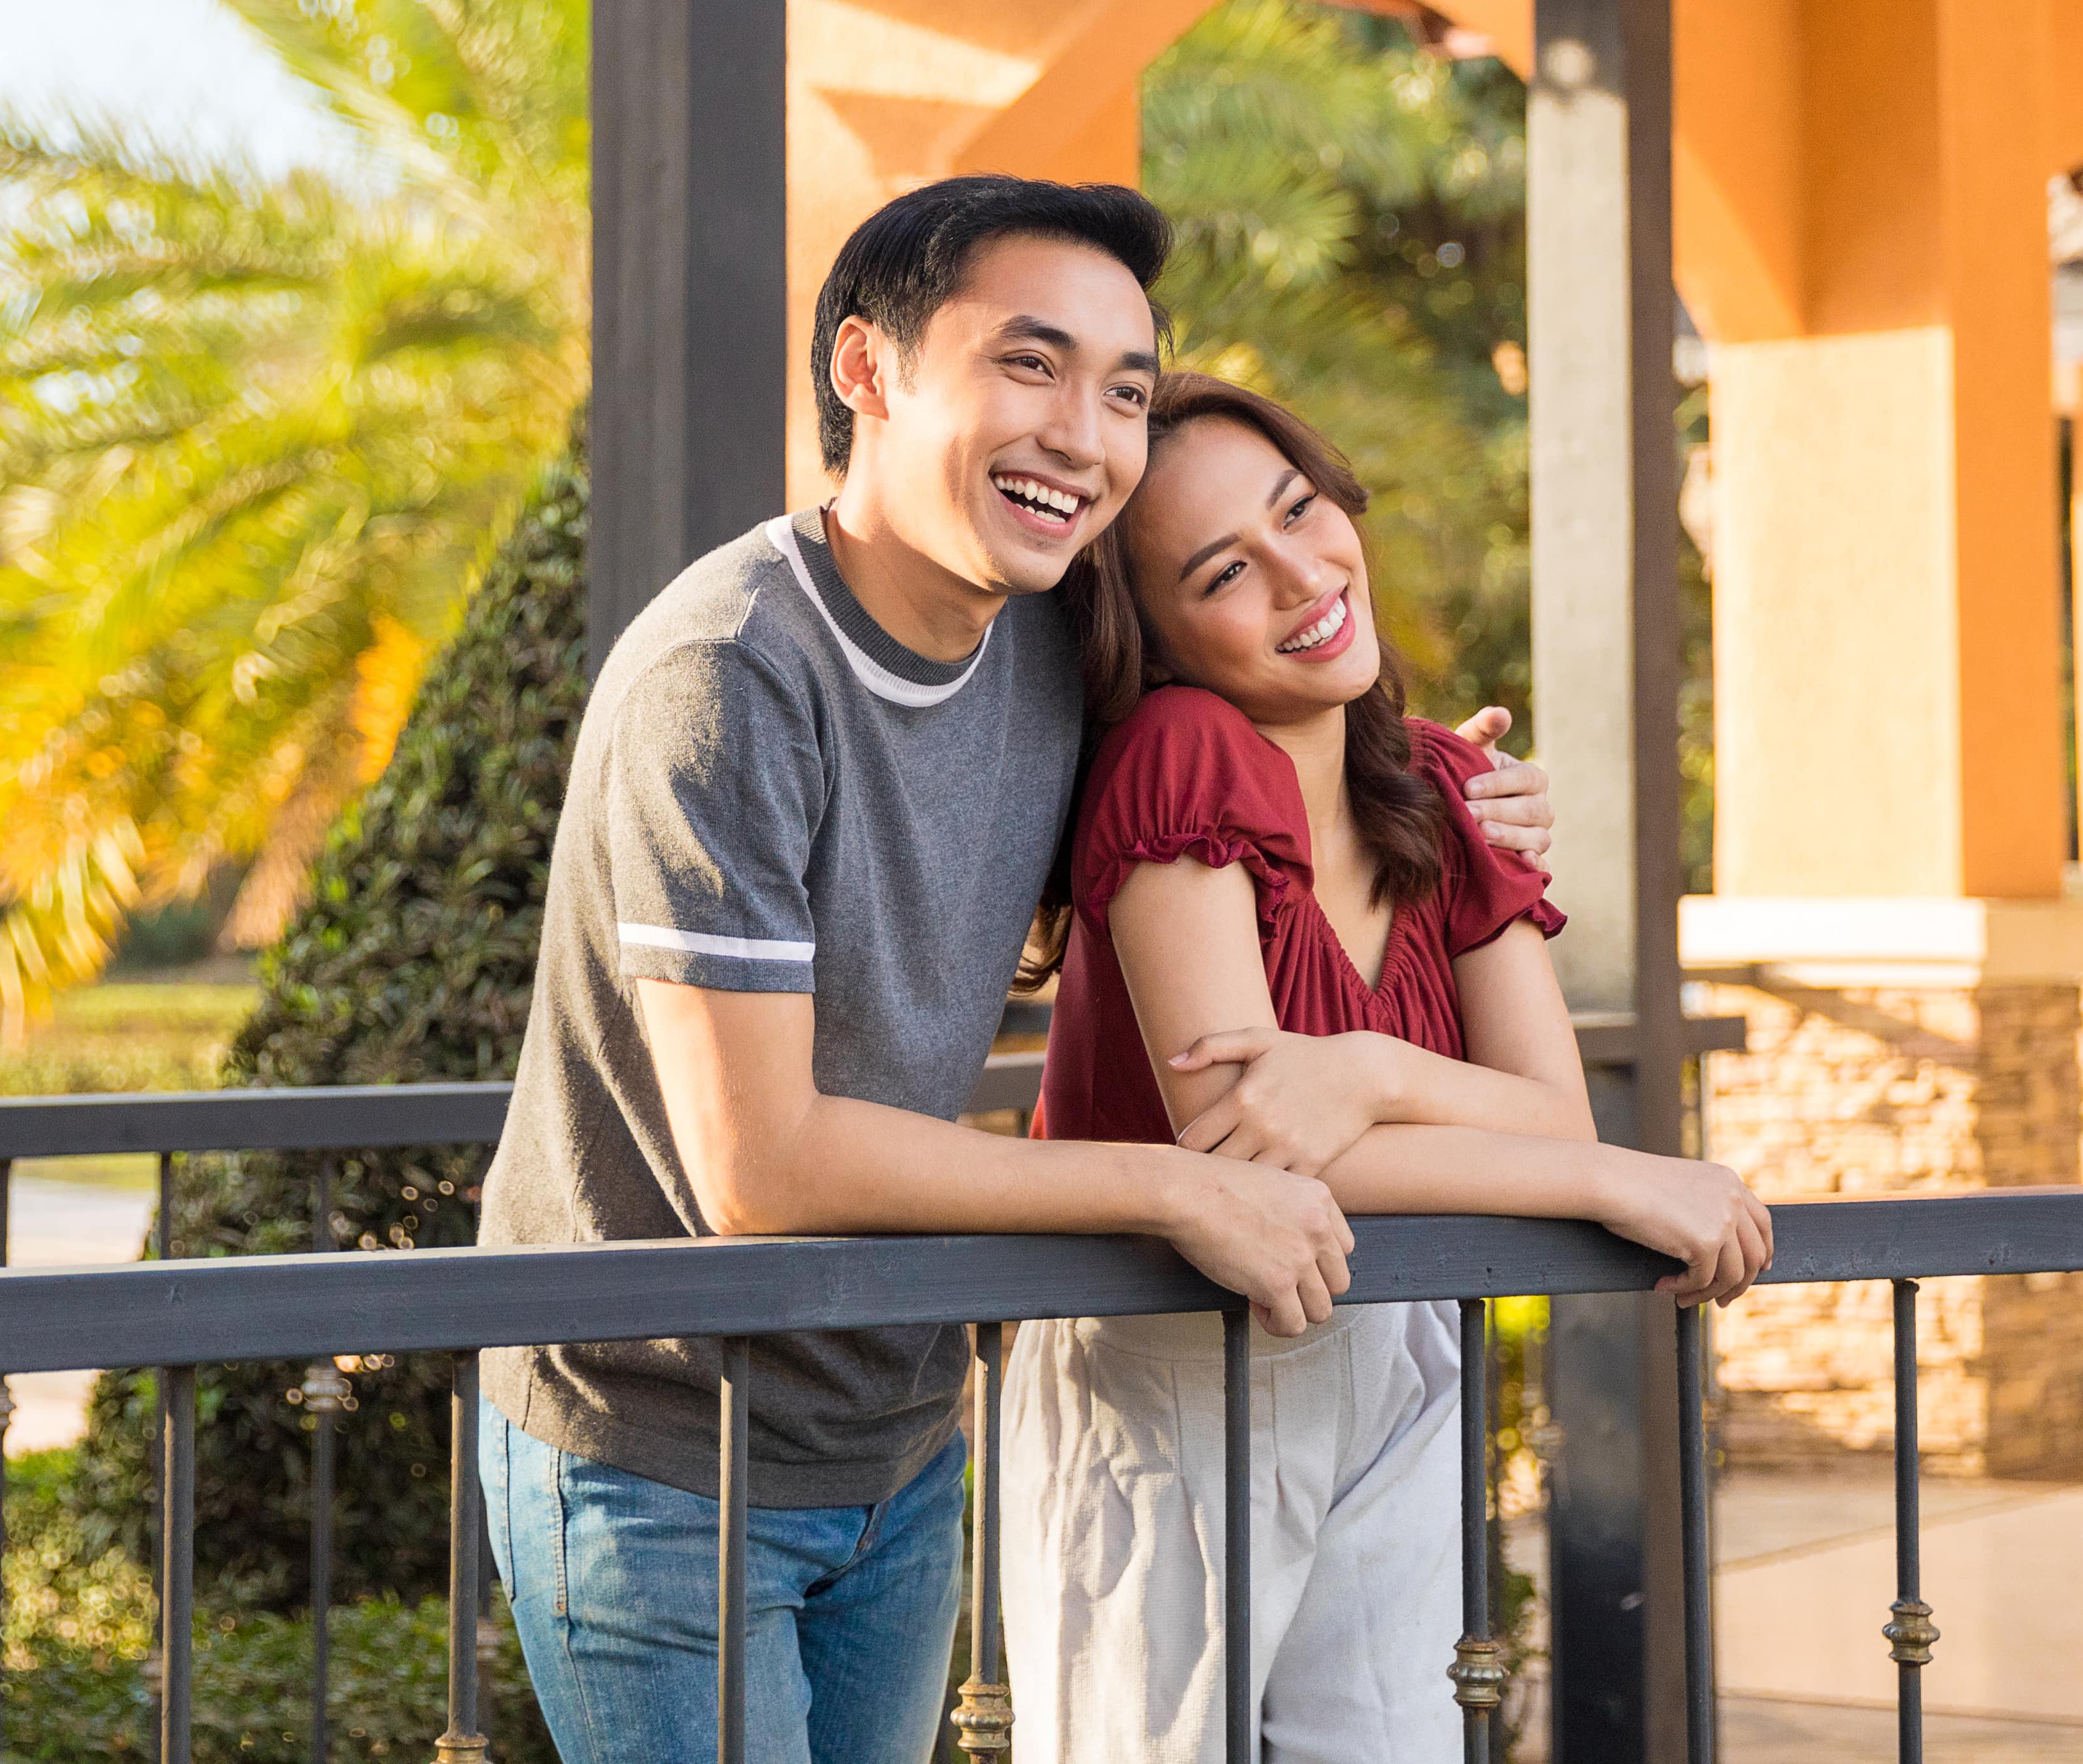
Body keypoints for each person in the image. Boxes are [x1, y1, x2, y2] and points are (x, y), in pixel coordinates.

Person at [473, 180, 1562, 1764]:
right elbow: (764, 1164)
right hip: (658, 1444)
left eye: (1123, 387)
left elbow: (1269, 715)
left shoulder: (1053, 647)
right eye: (1031, 364)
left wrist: (1459, 784)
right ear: (869, 369)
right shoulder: (729, 678)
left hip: (898, 1429)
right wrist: (1172, 1186)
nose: (1088, 431)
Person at [1001, 370, 1775, 1764]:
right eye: (1227, 569)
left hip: (1387, 1329)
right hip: (1172, 1353)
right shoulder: (1177, 755)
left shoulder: (1433, 787)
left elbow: (1550, 1108)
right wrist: (1606, 1178)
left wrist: (1363, 1067)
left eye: (1301, 509)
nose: (1304, 572)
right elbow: (1252, 1149)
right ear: (1162, 638)